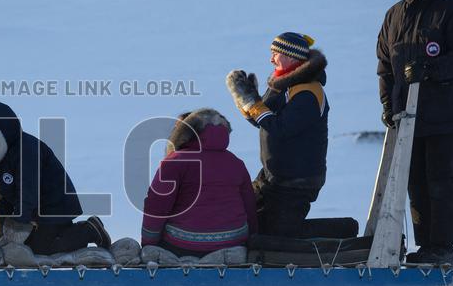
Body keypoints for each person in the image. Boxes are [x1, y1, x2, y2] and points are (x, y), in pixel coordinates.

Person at [377, 0, 453, 265]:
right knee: (414, 181)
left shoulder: (451, 10)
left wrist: (430, 69)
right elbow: (384, 66)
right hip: (408, 115)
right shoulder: (393, 17)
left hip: (444, 113)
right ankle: (425, 246)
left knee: (440, 178)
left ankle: (442, 247)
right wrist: (387, 106)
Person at [0, 99, 112, 255]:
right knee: (22, 246)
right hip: (34, 212)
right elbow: (2, 195)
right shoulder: (2, 154)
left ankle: (89, 230)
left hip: (54, 209)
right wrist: (0, 231)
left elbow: (27, 191)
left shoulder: (27, 149)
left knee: (40, 249)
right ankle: (54, 233)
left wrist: (17, 227)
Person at [226, 32, 329, 237]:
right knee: (250, 222)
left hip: (297, 180)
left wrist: (254, 104)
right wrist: (246, 100)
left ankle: (345, 235)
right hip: (274, 176)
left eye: (275, 53)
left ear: (291, 57)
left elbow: (281, 128)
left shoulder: (308, 91)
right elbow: (263, 122)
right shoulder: (283, 85)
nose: (271, 59)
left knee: (279, 234)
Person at [141, 109, 258, 256]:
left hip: (184, 245)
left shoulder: (174, 162)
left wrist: (148, 244)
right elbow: (249, 206)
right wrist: (251, 239)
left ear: (183, 134)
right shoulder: (236, 163)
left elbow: (157, 206)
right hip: (233, 243)